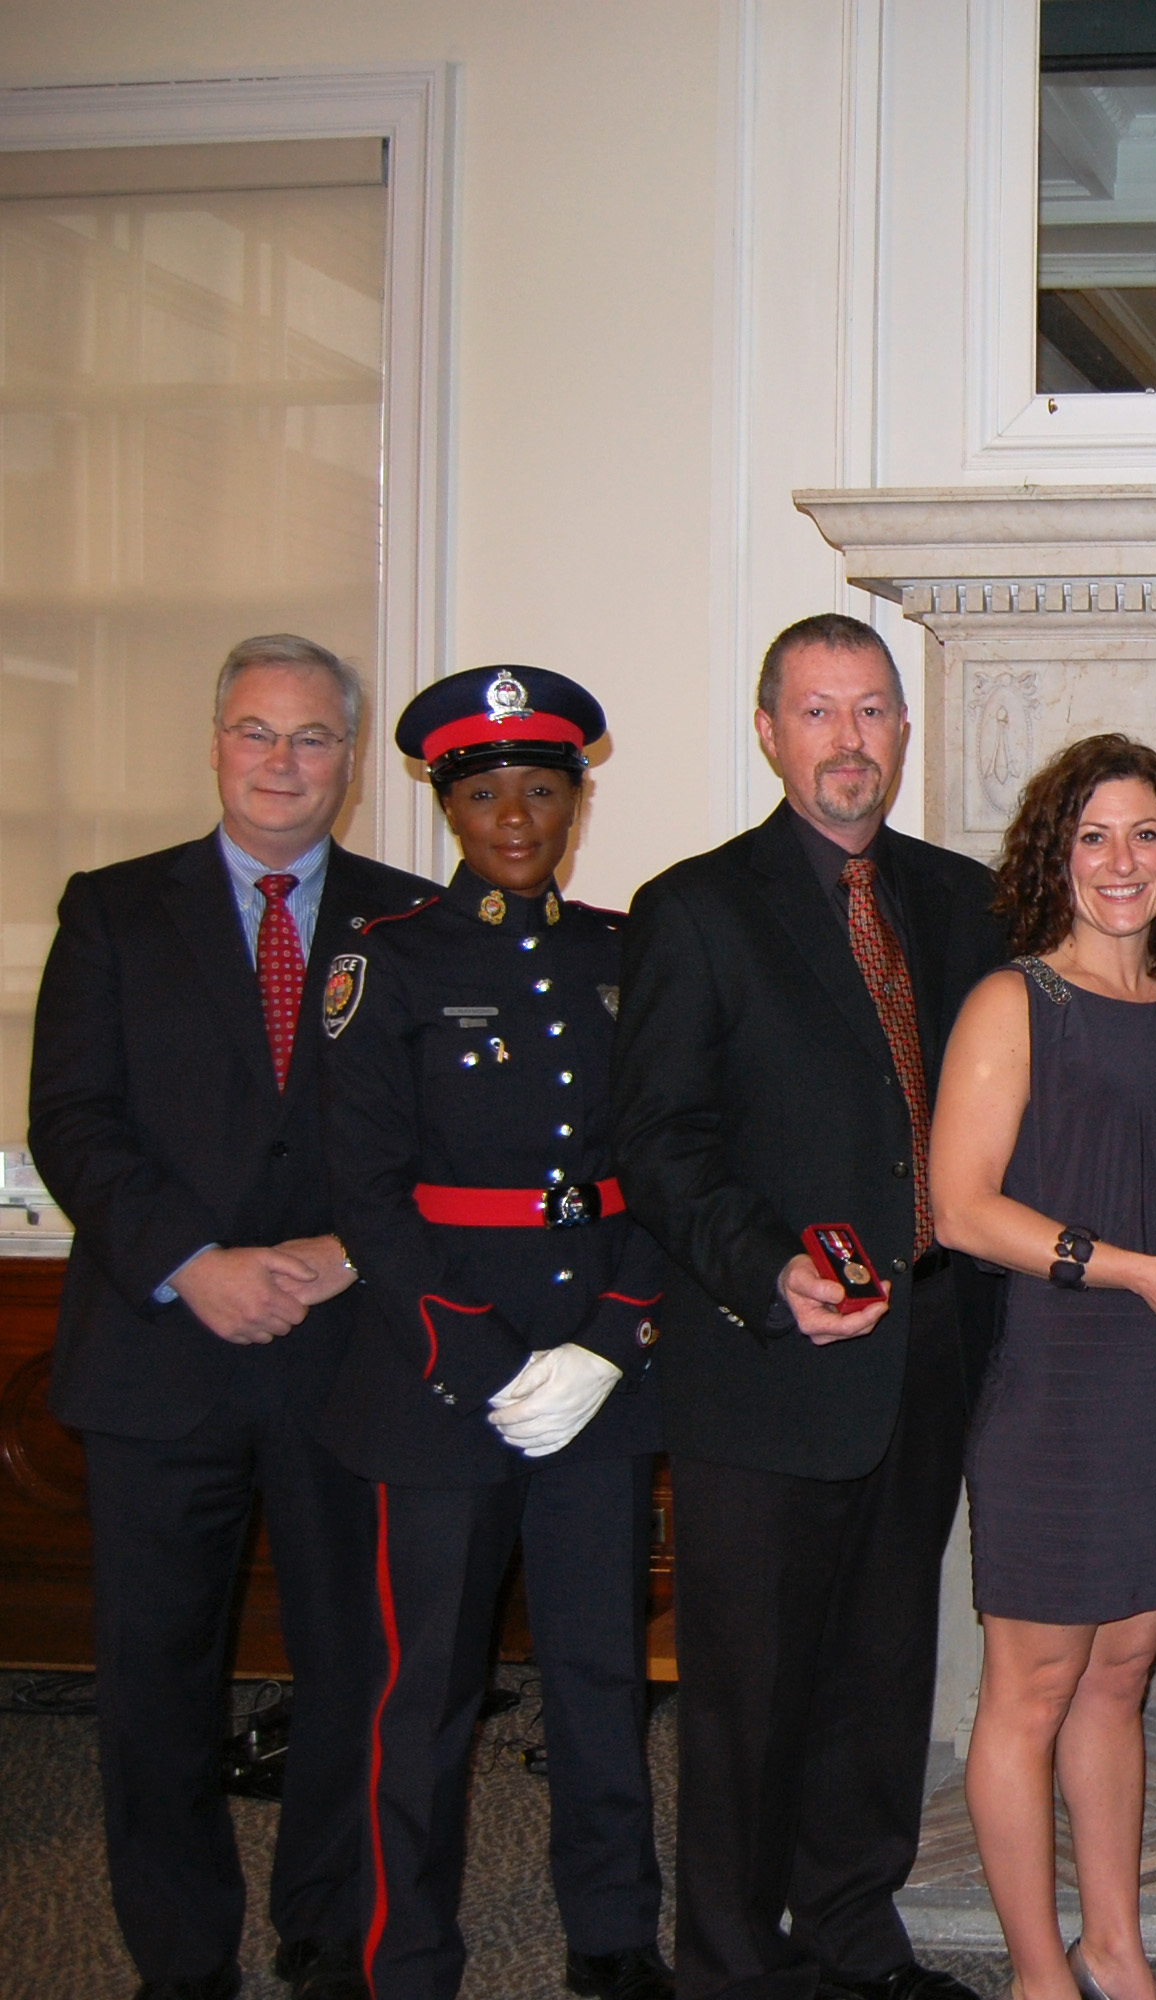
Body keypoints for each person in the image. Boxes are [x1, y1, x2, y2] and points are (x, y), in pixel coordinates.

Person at [611, 613, 1009, 2000]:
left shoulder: (967, 903)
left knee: (883, 1676)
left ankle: (852, 1930)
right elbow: (657, 1142)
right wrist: (767, 1266)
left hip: (928, 1360)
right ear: (771, 732)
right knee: (750, 1696)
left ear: (905, 732)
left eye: (874, 711)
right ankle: (728, 1964)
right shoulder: (697, 909)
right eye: (819, 712)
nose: (851, 740)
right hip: (765, 1366)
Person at [30, 635, 434, 2000]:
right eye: (258, 733)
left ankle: (326, 1937)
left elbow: (444, 1142)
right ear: (216, 743)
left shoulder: (408, 922)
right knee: (156, 1689)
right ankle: (179, 1960)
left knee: (350, 1674)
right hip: (161, 1358)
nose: (282, 762)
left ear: (350, 757)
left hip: (346, 1361)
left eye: (312, 737)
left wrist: (338, 1252)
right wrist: (193, 1261)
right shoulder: (112, 911)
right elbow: (72, 1125)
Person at [313, 666, 671, 2000]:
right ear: (446, 802)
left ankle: (614, 1932)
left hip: (593, 1364)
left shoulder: (626, 949)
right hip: (438, 1368)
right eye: (483, 791)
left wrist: (613, 1335)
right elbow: (365, 1188)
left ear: (577, 797)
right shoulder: (386, 957)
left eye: (540, 787)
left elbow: (663, 1160)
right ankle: (403, 1953)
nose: (514, 814)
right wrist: (477, 1348)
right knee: (429, 1690)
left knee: (597, 1669)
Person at [930, 734, 1156, 2000]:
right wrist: (1137, 1267)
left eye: (1144, 835)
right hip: (1059, 1376)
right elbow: (959, 1207)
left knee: (1121, 1673)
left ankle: (1114, 1945)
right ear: (1051, 855)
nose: (1119, 862)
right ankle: (1037, 1969)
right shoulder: (1015, 1001)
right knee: (1031, 1684)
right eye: (1092, 836)